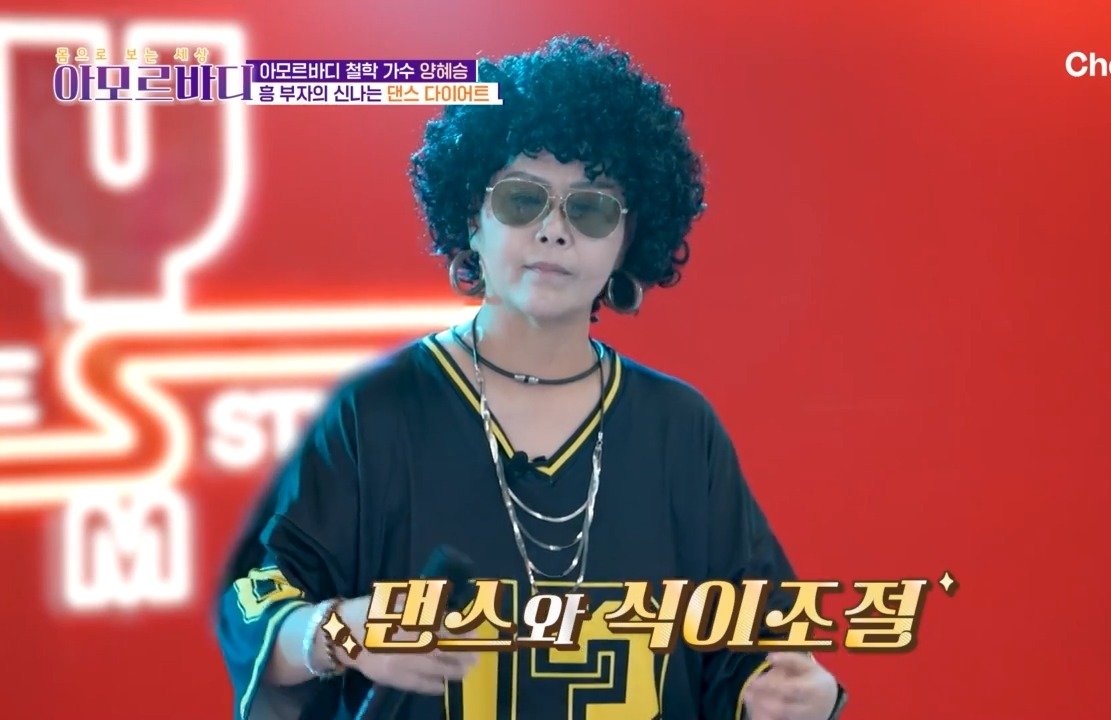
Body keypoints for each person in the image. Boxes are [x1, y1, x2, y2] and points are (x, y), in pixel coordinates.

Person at [217, 35, 846, 720]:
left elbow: (756, 646)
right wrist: (346, 631)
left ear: (628, 239)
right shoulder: (378, 411)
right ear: (472, 219)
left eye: (591, 207)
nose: (554, 230)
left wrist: (796, 696)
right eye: (522, 200)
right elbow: (257, 603)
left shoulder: (679, 430)